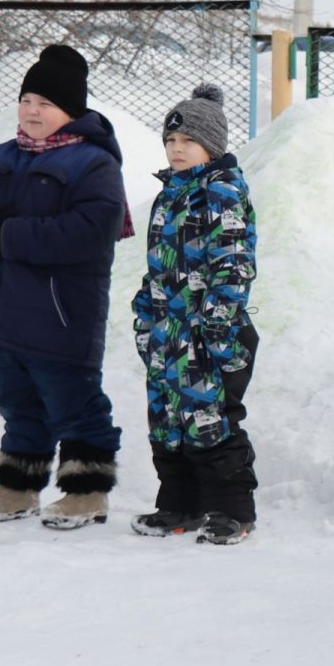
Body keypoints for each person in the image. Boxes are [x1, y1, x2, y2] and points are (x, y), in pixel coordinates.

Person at [0, 43, 130, 530]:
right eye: (26, 100)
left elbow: (93, 228)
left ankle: (87, 493)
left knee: (74, 402)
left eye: (45, 103)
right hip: (4, 308)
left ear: (68, 111)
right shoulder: (0, 156)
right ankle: (18, 487)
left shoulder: (93, 164)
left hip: (62, 310)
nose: (32, 111)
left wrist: (10, 232)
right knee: (18, 403)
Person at [130, 84, 260, 545]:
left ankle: (232, 510)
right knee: (167, 421)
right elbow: (157, 266)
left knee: (211, 419)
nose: (177, 149)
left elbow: (234, 264)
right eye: (170, 141)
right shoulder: (170, 195)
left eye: (187, 141)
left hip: (207, 332)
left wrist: (219, 328)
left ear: (211, 145)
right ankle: (180, 503)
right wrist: (145, 320)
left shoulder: (222, 193)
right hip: (168, 332)